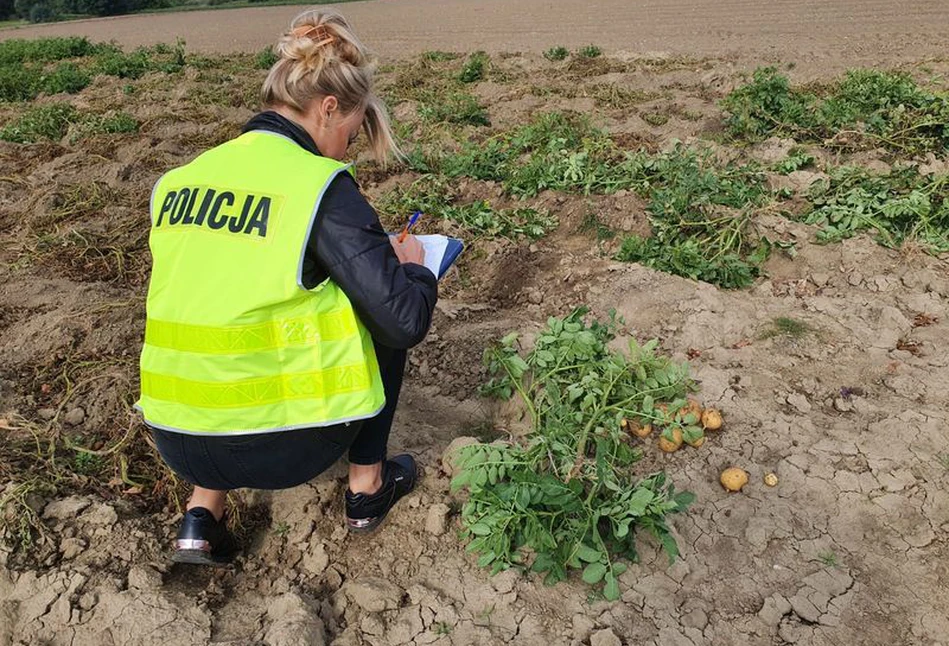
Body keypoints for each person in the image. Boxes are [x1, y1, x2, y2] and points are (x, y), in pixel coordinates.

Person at [136, 9, 438, 566]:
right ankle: (367, 487)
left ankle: (201, 515)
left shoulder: (179, 181)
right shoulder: (316, 184)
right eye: (351, 130)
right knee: (379, 299)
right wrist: (414, 268)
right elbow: (403, 320)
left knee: (224, 297)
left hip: (175, 438)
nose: (347, 148)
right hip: (278, 448)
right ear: (327, 108)